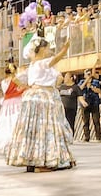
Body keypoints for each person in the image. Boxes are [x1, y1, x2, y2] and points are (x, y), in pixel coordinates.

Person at [6, 38, 75, 172]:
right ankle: (43, 162)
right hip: (44, 98)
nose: (49, 51)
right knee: (46, 129)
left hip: (33, 96)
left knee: (34, 130)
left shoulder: (31, 66)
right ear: (42, 49)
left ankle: (31, 160)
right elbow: (55, 59)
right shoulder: (41, 63)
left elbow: (18, 81)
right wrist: (65, 49)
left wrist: (15, 74)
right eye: (48, 48)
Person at [0, 63, 26, 153]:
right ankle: (16, 143)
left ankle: (5, 145)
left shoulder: (3, 82)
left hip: (6, 103)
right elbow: (21, 88)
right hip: (16, 101)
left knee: (6, 122)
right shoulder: (15, 80)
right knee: (15, 121)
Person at [78, 66, 101, 141]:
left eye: (89, 74)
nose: (88, 75)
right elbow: (80, 89)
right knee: (85, 121)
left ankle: (98, 137)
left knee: (96, 121)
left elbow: (99, 91)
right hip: (85, 103)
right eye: (86, 74)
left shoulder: (96, 82)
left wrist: (91, 87)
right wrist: (86, 81)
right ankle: (87, 137)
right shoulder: (82, 82)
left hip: (94, 103)